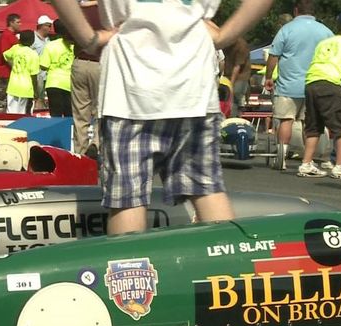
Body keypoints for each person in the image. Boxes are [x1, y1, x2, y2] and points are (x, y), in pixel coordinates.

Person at [51, 0, 272, 236]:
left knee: (128, 201)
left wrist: (88, 38)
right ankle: (231, 266)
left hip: (131, 84)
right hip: (193, 83)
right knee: (207, 190)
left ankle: (131, 271)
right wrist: (225, 36)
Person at [264, 0, 333, 170]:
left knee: (286, 119)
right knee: (309, 123)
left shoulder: (286, 29)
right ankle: (309, 159)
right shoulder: (326, 31)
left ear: (296, 10)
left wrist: (268, 76)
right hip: (315, 84)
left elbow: (274, 55)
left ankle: (283, 155)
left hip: (288, 84)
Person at [297, 11, 341, 179]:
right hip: (330, 84)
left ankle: (306, 163)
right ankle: (339, 166)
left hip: (311, 82)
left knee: (314, 125)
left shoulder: (324, 43)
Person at [70, 1, 101, 158]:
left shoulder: (80, 10)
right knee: (102, 110)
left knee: (80, 112)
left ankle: (80, 154)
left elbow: (68, 34)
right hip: (100, 62)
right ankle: (96, 143)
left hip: (80, 62)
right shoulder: (106, 11)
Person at [39, 19, 74, 117]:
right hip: (70, 83)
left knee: (55, 115)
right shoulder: (73, 45)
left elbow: (43, 66)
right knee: (69, 115)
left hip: (53, 82)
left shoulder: (50, 45)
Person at [3, 30, 39, 115]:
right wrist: (35, 91)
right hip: (26, 88)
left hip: (13, 86)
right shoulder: (34, 54)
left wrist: (12, 64)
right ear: (33, 40)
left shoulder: (15, 48)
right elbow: (34, 75)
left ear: (20, 39)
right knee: (22, 113)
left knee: (11, 111)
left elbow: (5, 55)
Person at [0, 14, 22, 111]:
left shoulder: (13, 36)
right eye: (18, 22)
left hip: (10, 74)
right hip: (5, 74)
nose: (20, 24)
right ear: (11, 23)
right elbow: (5, 54)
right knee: (3, 101)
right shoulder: (6, 36)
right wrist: (16, 69)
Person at [222, 37, 251, 118]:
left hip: (241, 77)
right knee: (226, 98)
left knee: (235, 97)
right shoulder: (225, 44)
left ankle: (235, 119)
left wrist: (231, 83)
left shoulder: (241, 46)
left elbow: (237, 66)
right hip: (227, 75)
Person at [32, 15, 54, 110]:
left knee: (43, 98)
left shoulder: (48, 40)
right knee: (36, 98)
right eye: (48, 25)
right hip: (36, 74)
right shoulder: (32, 38)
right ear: (41, 26)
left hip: (47, 75)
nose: (50, 28)